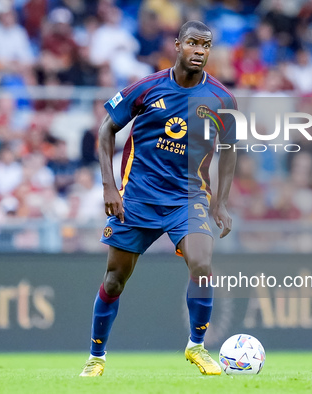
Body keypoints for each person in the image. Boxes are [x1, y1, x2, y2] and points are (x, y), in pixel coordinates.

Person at [80, 20, 237, 377]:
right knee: (114, 280)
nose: (200, 51)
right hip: (138, 197)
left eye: (206, 45)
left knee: (202, 263)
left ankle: (196, 347)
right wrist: (109, 187)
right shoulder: (148, 88)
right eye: (193, 43)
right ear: (178, 45)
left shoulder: (221, 99)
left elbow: (230, 151)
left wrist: (221, 201)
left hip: (188, 197)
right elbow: (106, 129)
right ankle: (96, 356)